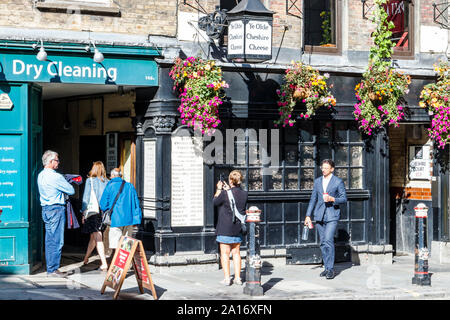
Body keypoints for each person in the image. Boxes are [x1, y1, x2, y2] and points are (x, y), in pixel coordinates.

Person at [305, 159, 347, 280]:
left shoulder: (338, 181)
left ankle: (330, 269)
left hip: (332, 215)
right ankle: (326, 268)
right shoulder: (318, 181)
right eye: (322, 167)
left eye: (326, 168)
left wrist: (332, 199)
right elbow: (313, 199)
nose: (323, 170)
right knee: (323, 242)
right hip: (319, 215)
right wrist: (308, 215)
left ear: (332, 169)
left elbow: (344, 198)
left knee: (328, 240)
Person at [37, 150, 75, 277]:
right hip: (56, 209)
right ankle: (53, 269)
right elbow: (71, 190)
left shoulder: (40, 175)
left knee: (49, 240)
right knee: (57, 240)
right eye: (57, 160)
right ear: (51, 161)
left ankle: (50, 268)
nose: (58, 162)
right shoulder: (56, 176)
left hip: (46, 209)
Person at [213, 170, 248, 286]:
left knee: (225, 253)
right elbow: (236, 199)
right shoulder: (244, 194)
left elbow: (215, 202)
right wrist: (228, 190)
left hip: (225, 227)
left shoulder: (224, 194)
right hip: (237, 227)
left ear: (230, 180)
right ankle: (238, 278)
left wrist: (219, 189)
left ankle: (227, 278)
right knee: (236, 253)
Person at [99, 168, 142, 252]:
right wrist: (136, 219)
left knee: (115, 243)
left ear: (113, 176)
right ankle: (125, 263)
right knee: (127, 244)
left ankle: (117, 263)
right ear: (120, 176)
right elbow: (136, 204)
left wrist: (108, 211)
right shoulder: (130, 186)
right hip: (129, 220)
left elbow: (103, 205)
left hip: (116, 219)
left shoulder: (109, 186)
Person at [81, 161, 109, 271]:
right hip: (103, 212)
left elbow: (86, 198)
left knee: (97, 236)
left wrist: (83, 213)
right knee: (93, 237)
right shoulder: (107, 182)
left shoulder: (90, 181)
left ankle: (104, 263)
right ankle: (86, 258)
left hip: (93, 212)